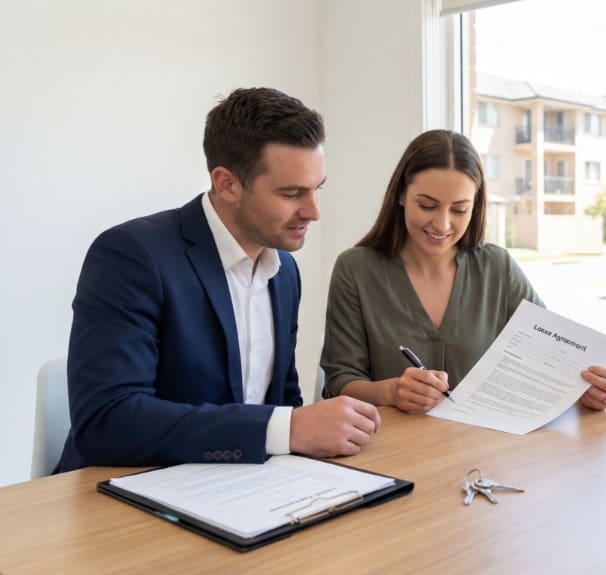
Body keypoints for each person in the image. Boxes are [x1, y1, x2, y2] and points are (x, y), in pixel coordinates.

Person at [56, 87, 381, 473]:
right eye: (292, 193)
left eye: (317, 189)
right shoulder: (132, 255)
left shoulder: (284, 271)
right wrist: (288, 428)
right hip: (123, 490)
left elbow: (281, 401)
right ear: (226, 183)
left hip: (237, 486)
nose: (313, 211)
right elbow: (107, 422)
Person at [320, 129, 606, 414]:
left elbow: (549, 358)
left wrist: (584, 388)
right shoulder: (355, 270)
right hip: (390, 445)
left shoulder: (498, 268)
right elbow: (340, 382)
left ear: (475, 206)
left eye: (459, 209)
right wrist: (391, 392)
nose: (442, 224)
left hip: (484, 446)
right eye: (427, 205)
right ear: (400, 195)